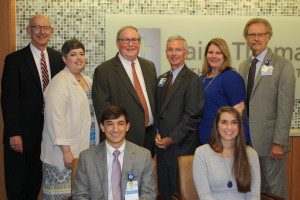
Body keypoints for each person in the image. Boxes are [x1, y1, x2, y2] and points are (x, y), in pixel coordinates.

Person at [1, 14, 64, 199]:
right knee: (17, 185)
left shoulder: (58, 59)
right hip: (21, 136)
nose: (41, 32)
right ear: (28, 30)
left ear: (51, 31)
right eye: (37, 27)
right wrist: (14, 133)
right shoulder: (14, 60)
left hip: (47, 135)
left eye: (46, 28)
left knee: (35, 183)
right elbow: (9, 99)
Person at [239, 18, 295, 199]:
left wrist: (279, 142)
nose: (255, 38)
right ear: (246, 38)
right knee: (253, 191)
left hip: (271, 143)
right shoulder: (244, 65)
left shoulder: (283, 65)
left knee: (274, 191)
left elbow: (285, 107)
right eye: (251, 34)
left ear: (268, 36)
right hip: (247, 143)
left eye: (260, 34)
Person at [40, 38, 99, 199]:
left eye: (81, 53)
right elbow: (55, 119)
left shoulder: (88, 81)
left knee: (81, 193)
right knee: (61, 195)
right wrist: (66, 151)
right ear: (65, 59)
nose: (79, 57)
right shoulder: (59, 83)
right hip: (63, 153)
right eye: (73, 54)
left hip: (87, 146)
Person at [92, 26, 157, 154]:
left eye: (134, 40)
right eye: (125, 40)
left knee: (146, 173)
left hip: (150, 137)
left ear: (139, 43)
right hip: (123, 139)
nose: (131, 44)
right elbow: (103, 110)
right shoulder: (104, 71)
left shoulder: (149, 66)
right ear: (117, 43)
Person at [155, 35, 204, 200]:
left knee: (180, 192)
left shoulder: (193, 80)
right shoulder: (161, 78)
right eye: (170, 49)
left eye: (178, 49)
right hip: (161, 149)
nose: (173, 53)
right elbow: (157, 111)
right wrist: (157, 134)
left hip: (181, 147)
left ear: (186, 53)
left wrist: (172, 138)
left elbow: (193, 116)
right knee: (164, 191)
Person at [72, 105, 156, 200]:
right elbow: (80, 195)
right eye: (110, 124)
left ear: (127, 127)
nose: (115, 129)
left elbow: (148, 194)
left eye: (120, 123)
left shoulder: (143, 156)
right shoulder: (87, 158)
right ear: (102, 127)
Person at [193, 106, 260, 200]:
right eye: (224, 122)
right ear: (217, 125)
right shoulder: (202, 153)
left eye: (234, 122)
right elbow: (204, 195)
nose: (229, 127)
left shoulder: (251, 154)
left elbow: (254, 195)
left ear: (240, 126)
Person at [199, 38, 250, 145]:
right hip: (204, 135)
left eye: (218, 53)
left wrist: (227, 139)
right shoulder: (202, 78)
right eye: (210, 52)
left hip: (224, 139)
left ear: (225, 56)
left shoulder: (231, 77)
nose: (213, 56)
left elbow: (237, 112)